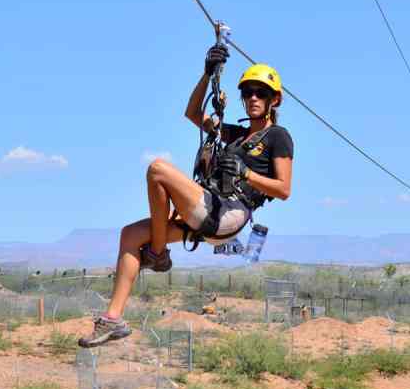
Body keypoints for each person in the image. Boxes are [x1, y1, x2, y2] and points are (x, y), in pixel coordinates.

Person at [78, 44, 294, 348]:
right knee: (129, 236)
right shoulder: (233, 134)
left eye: (261, 93)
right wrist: (207, 74)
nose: (253, 98)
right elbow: (192, 113)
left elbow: (284, 189)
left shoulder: (278, 137)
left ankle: (158, 255)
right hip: (209, 207)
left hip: (230, 212)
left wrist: (247, 174)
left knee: (158, 170)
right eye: (248, 92)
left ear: (275, 99)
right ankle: (112, 319)